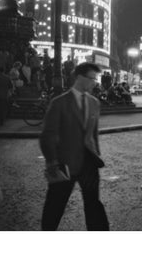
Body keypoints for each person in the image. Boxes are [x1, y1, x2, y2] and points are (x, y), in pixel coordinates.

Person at [39, 62, 109, 231]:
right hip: (65, 164)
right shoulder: (59, 103)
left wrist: (96, 154)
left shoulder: (94, 103)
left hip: (89, 164)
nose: (95, 82)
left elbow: (93, 133)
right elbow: (47, 135)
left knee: (93, 204)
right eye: (92, 78)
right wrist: (52, 162)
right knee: (55, 205)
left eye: (95, 79)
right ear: (79, 77)